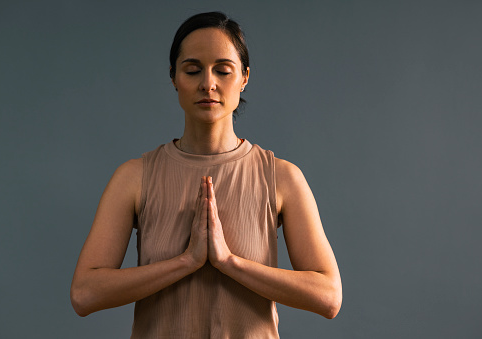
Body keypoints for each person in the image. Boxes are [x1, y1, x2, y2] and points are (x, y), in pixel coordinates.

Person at [70, 11, 342, 338]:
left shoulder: (281, 177)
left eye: (223, 70)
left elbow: (328, 297)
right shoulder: (134, 177)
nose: (207, 83)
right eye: (193, 69)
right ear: (173, 77)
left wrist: (229, 262)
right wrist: (186, 261)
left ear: (244, 77)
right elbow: (85, 294)